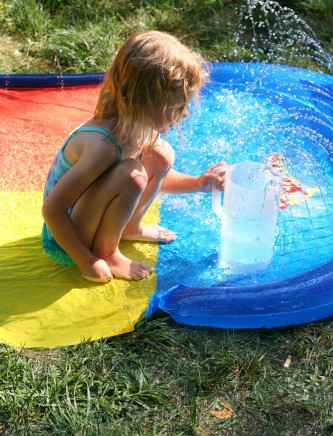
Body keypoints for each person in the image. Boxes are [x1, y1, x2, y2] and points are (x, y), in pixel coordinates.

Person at [42, 30, 225, 283]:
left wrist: (197, 183)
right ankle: (106, 252)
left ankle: (131, 229)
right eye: (177, 107)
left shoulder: (135, 123)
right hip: (67, 238)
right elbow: (53, 209)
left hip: (86, 219)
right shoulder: (102, 147)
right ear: (145, 101)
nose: (184, 115)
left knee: (160, 154)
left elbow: (157, 175)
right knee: (133, 174)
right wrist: (86, 260)